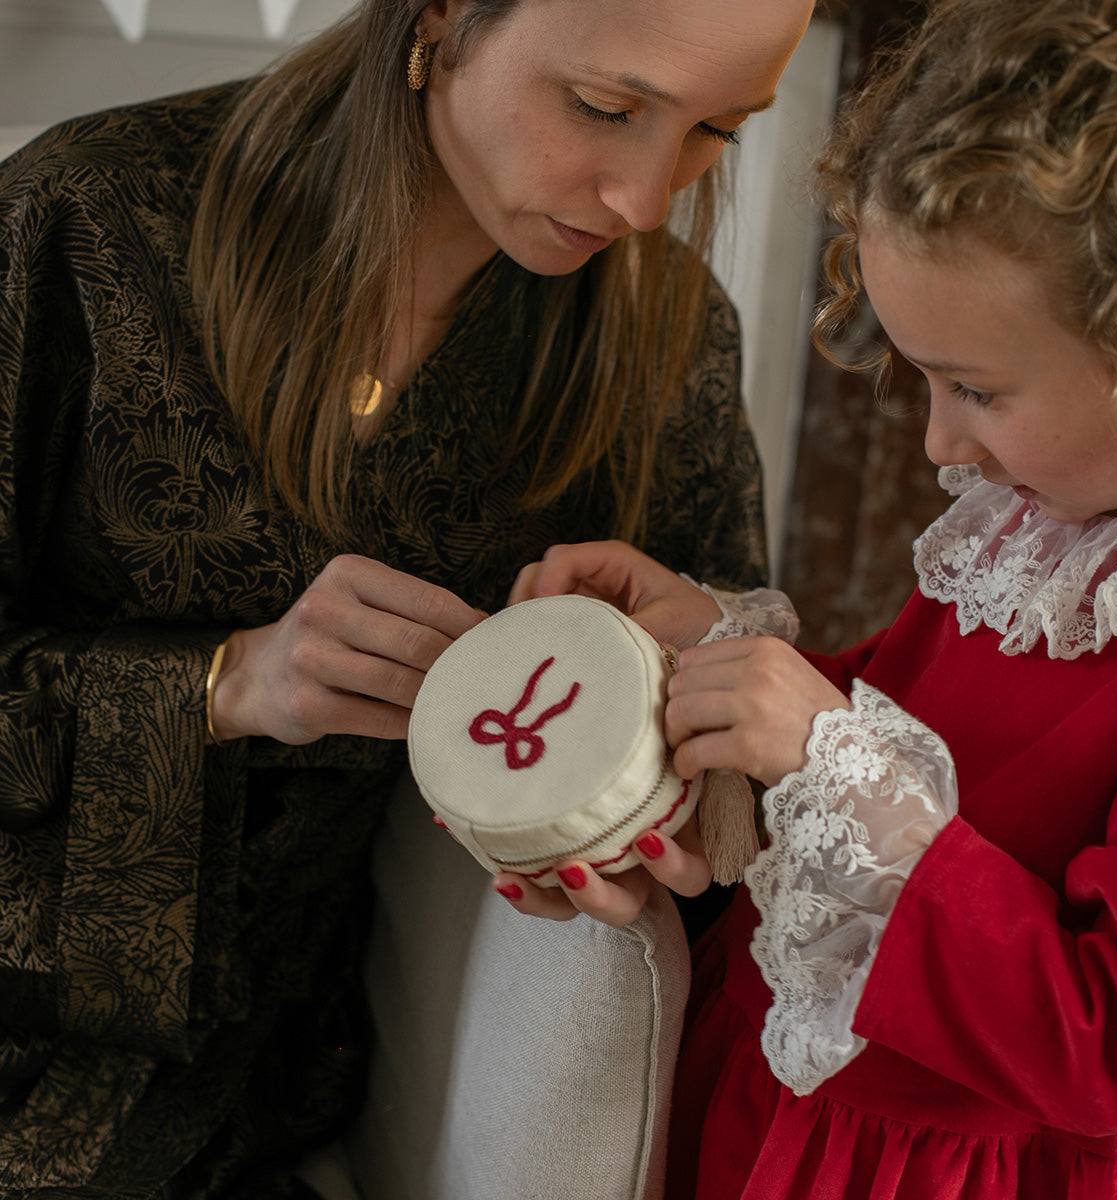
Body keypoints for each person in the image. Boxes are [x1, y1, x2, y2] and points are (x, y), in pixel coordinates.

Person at [0, 0, 816, 1193]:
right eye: (604, 107)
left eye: (716, 132)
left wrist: (652, 805)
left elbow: (721, 790)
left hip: (286, 1093)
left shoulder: (665, 337)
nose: (645, 200)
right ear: (441, 15)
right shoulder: (90, 222)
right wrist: (225, 680)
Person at [501, 0, 1117, 1194]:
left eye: (976, 390)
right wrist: (717, 650)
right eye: (923, 379)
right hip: (778, 1110)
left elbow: (1114, 1044)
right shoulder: (1043, 524)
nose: (939, 443)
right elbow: (909, 731)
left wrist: (827, 761)